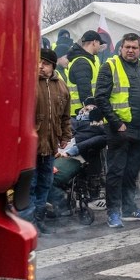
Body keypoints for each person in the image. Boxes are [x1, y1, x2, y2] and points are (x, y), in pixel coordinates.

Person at [94, 33, 140, 228]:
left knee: (132, 172)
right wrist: (116, 123)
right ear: (120, 48)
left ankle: (129, 209)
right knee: (115, 173)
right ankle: (113, 212)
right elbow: (101, 98)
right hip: (120, 130)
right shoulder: (109, 67)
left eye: (134, 47)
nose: (130, 50)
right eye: (127, 47)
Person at [19, 48, 72, 234]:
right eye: (39, 62)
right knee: (30, 185)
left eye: (46, 63)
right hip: (30, 146)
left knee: (45, 183)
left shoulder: (62, 86)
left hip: (50, 145)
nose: (41, 66)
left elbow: (66, 116)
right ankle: (30, 223)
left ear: (53, 66)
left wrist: (65, 136)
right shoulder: (27, 82)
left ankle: (39, 220)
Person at [65, 30, 102, 116]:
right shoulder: (82, 62)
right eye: (99, 43)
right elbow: (85, 93)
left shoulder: (84, 60)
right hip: (81, 115)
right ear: (94, 42)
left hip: (81, 113)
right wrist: (95, 118)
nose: (99, 47)